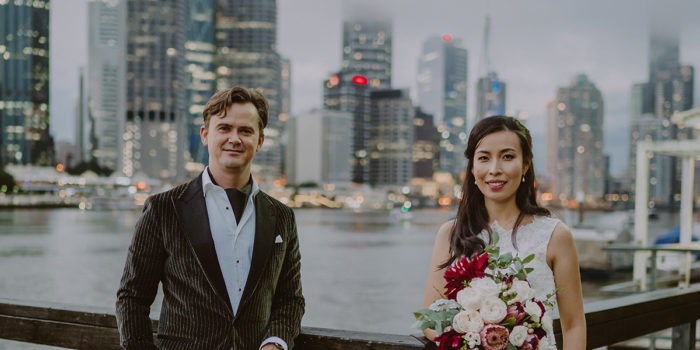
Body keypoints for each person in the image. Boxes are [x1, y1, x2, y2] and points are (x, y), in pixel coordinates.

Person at [116, 87, 305, 350]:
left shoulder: (282, 217)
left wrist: (275, 343)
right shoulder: (163, 209)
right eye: (224, 128)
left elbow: (291, 299)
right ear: (206, 135)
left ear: (260, 141)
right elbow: (132, 298)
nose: (234, 138)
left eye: (246, 131)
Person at [422, 116, 586, 349]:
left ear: (526, 164)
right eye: (484, 158)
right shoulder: (450, 233)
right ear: (472, 167)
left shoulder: (555, 235)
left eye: (507, 156)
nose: (494, 169)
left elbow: (574, 325)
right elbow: (429, 319)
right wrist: (473, 336)